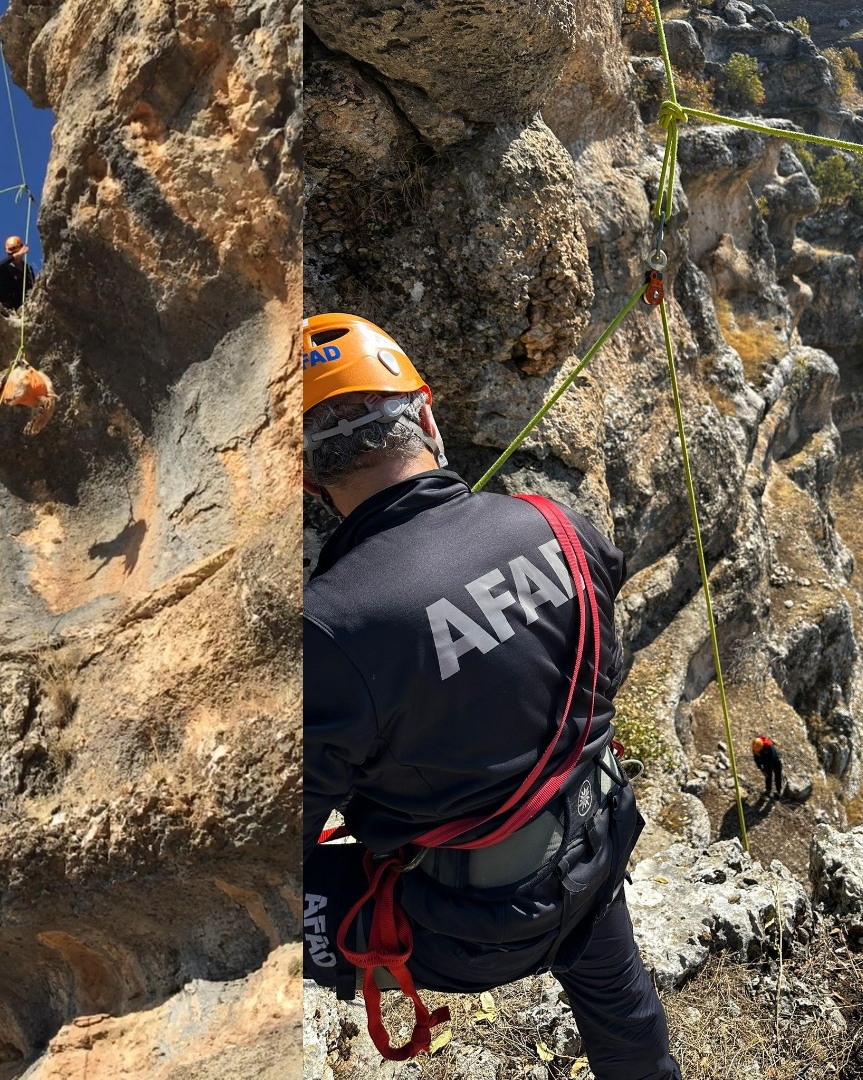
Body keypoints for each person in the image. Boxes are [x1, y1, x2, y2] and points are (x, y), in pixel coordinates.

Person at [302, 313, 680, 1079]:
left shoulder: (329, 629)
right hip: (595, 851)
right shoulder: (559, 526)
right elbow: (593, 673)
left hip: (466, 931)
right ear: (428, 418)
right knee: (623, 1010)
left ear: (305, 478)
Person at [0, 235, 37, 311]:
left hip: (17, 304)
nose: (14, 256)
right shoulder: (5, 267)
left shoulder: (27, 269)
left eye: (16, 252)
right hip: (1, 302)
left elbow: (32, 286)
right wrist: (15, 256)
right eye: (10, 254)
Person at [751, 735, 784, 799]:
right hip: (766, 764)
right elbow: (756, 760)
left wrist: (761, 756)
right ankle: (768, 790)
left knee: (777, 776)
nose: (756, 753)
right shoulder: (756, 748)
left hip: (775, 762)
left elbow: (772, 758)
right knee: (768, 776)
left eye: (757, 752)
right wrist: (761, 769)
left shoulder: (769, 747)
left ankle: (778, 791)